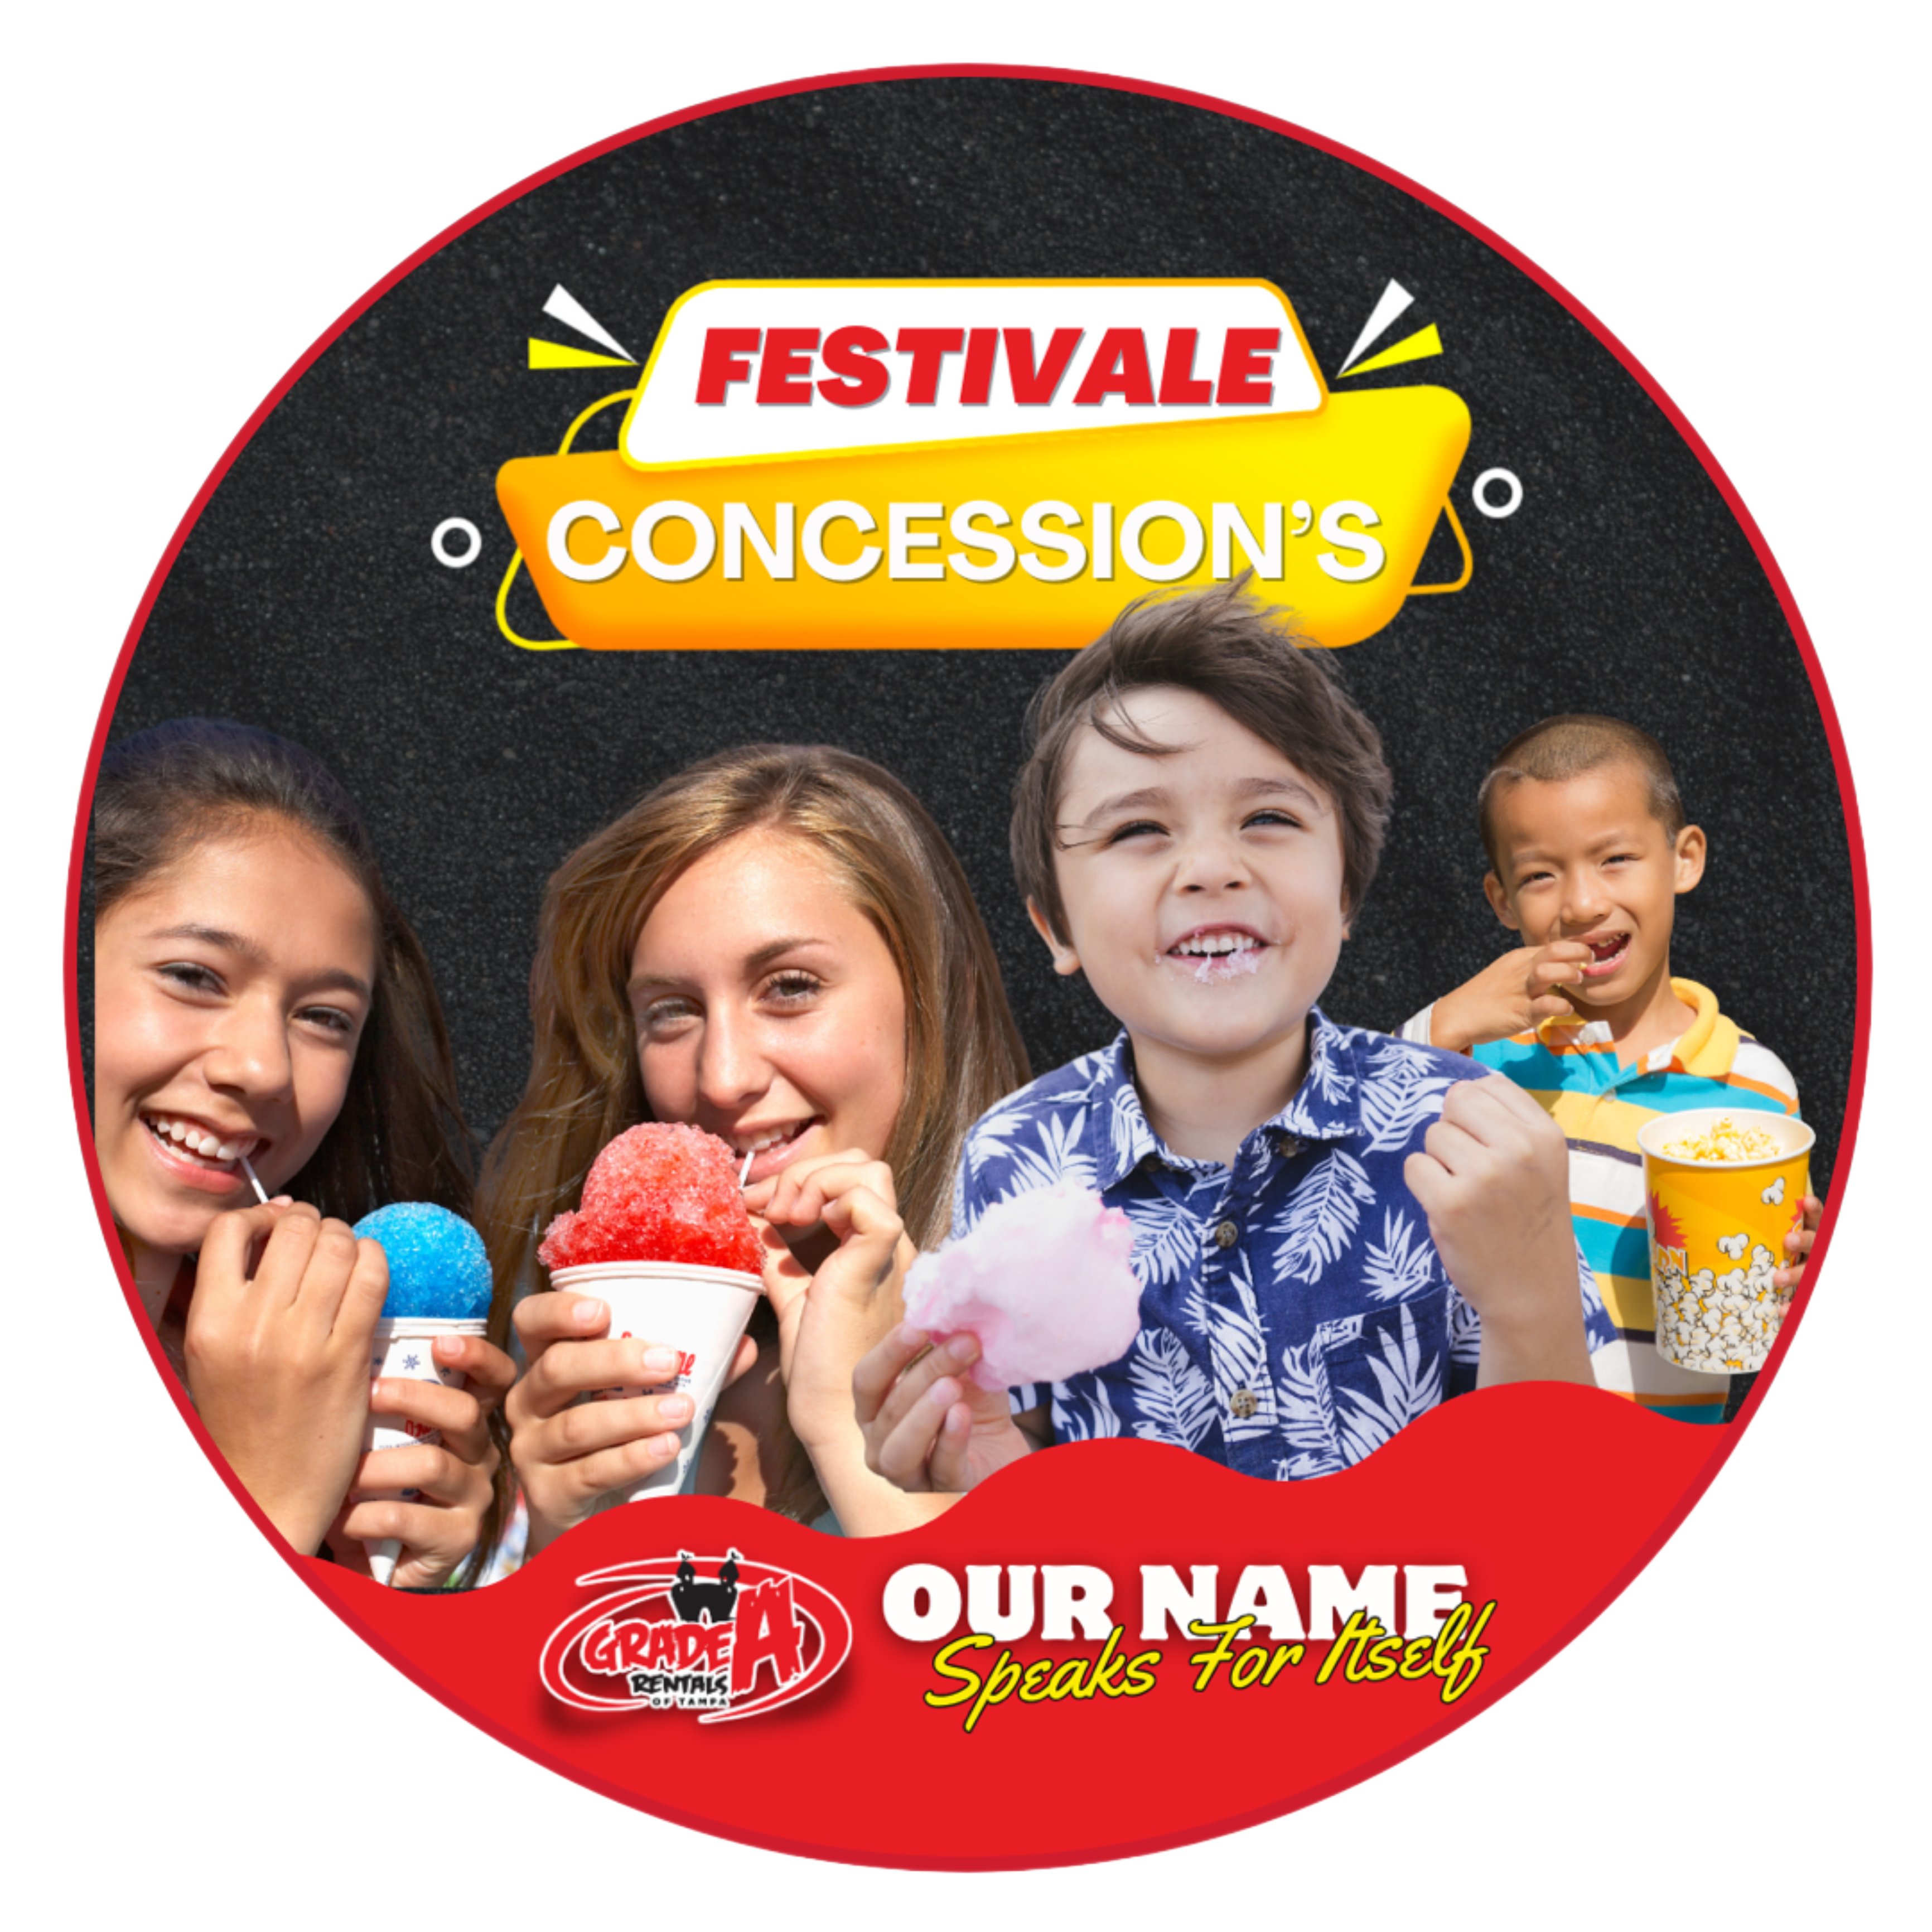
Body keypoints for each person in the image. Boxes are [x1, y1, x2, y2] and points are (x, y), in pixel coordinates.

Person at [857, 583, 1614, 1491]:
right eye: (1138, 827)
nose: (1212, 868)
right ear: (1053, 922)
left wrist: (1529, 1301)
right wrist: (986, 1475)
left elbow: (1576, 1505)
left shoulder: (1463, 1132)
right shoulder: (1013, 1155)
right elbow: (1024, 1485)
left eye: (1268, 817)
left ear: (1343, 893)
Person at [482, 742, 1030, 1545]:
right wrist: (560, 1546)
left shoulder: (1095, 1346)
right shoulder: (564, 1345)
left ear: (935, 997)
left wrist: (858, 1441)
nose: (722, 1076)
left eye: (790, 988)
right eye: (671, 1009)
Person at [90, 718, 513, 1585]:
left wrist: (385, 1587)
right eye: (194, 976)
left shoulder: (308, 1358)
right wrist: (269, 1501)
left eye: (323, 1018)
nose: (263, 1067)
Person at [1392, 714, 1818, 1421]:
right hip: (1483, 1458)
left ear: (1683, 858)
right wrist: (1446, 1022)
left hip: (1662, 1479)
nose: (1583, 903)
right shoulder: (1473, 1060)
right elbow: (1338, 1161)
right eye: (1539, 874)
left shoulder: (1756, 1084)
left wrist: (1797, 1278)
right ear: (1500, 901)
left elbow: (1765, 1307)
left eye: (1614, 858)